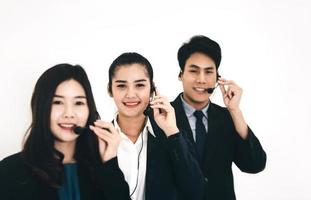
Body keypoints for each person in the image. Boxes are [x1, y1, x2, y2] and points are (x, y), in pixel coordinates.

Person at [0, 64, 130, 200]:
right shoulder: (10, 171)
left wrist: (110, 163)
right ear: (41, 108)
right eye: (57, 102)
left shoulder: (102, 171)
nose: (69, 114)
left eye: (78, 103)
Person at [171, 35, 267, 200]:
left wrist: (235, 111)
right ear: (181, 74)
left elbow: (254, 164)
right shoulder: (162, 117)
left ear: (218, 78)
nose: (201, 80)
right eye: (194, 71)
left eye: (209, 72)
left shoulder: (228, 118)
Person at [101, 52, 204, 200]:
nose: (130, 94)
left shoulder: (170, 136)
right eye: (122, 86)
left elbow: (196, 192)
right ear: (110, 90)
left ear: (152, 90)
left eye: (140, 85)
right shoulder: (99, 141)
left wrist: (171, 131)